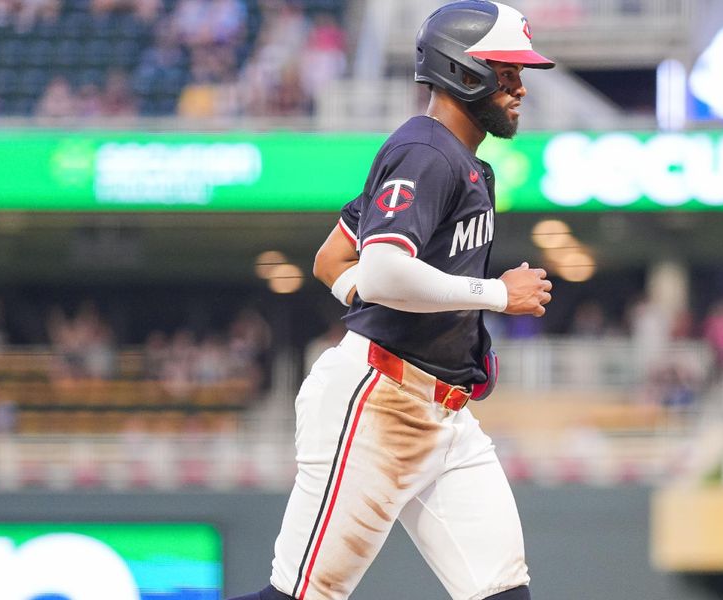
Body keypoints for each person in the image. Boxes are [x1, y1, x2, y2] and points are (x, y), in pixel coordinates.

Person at [230, 2, 554, 599]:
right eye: (507, 71)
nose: (520, 87)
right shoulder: (427, 152)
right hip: (379, 400)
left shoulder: (454, 158)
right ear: (465, 71)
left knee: (504, 593)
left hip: (445, 413)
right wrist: (495, 295)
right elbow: (380, 271)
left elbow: (334, 259)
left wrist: (377, 297)